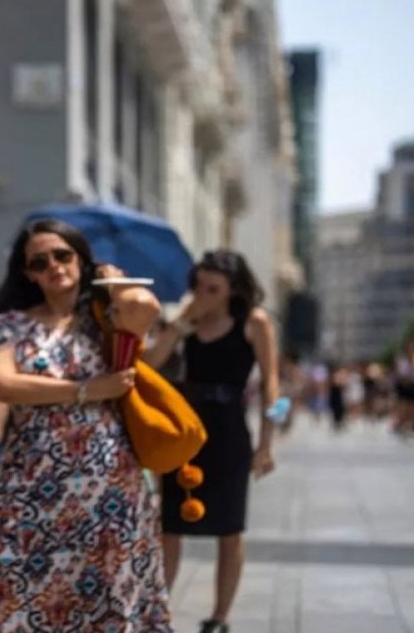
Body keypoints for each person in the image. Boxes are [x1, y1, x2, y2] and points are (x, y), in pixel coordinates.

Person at [0, 219, 171, 631]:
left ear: (81, 260)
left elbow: (148, 310)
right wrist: (88, 389)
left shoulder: (106, 316)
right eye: (39, 261)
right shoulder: (11, 323)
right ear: (28, 273)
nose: (53, 265)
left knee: (105, 592)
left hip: (107, 482)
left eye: (63, 255)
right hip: (30, 477)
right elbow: (1, 383)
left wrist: (115, 282)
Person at [144, 250, 280, 633]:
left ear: (231, 290)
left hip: (229, 429)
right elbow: (150, 365)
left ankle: (219, 616)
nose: (203, 294)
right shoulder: (187, 322)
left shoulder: (254, 323)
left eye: (212, 288)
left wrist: (268, 442)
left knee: (228, 527)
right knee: (170, 522)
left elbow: (273, 386)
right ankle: (159, 613)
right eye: (199, 286)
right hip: (187, 428)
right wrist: (178, 326)